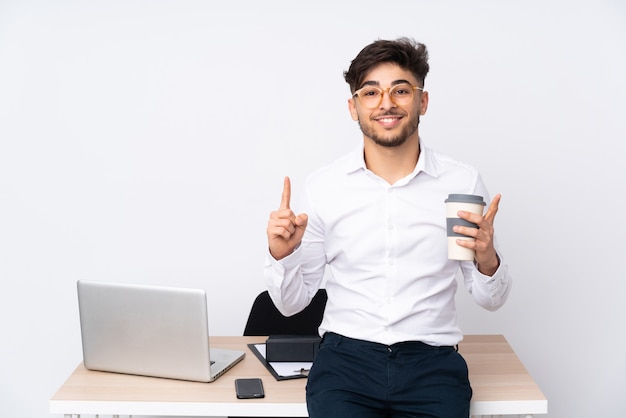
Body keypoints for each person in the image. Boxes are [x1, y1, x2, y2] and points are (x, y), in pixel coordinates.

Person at [264, 37, 512, 418]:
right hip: (345, 365)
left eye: (400, 90)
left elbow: (490, 300)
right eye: (370, 92)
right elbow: (290, 303)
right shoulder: (325, 187)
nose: (386, 103)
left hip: (432, 366)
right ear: (353, 107)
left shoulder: (459, 182)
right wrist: (283, 256)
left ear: (422, 101)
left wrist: (487, 258)